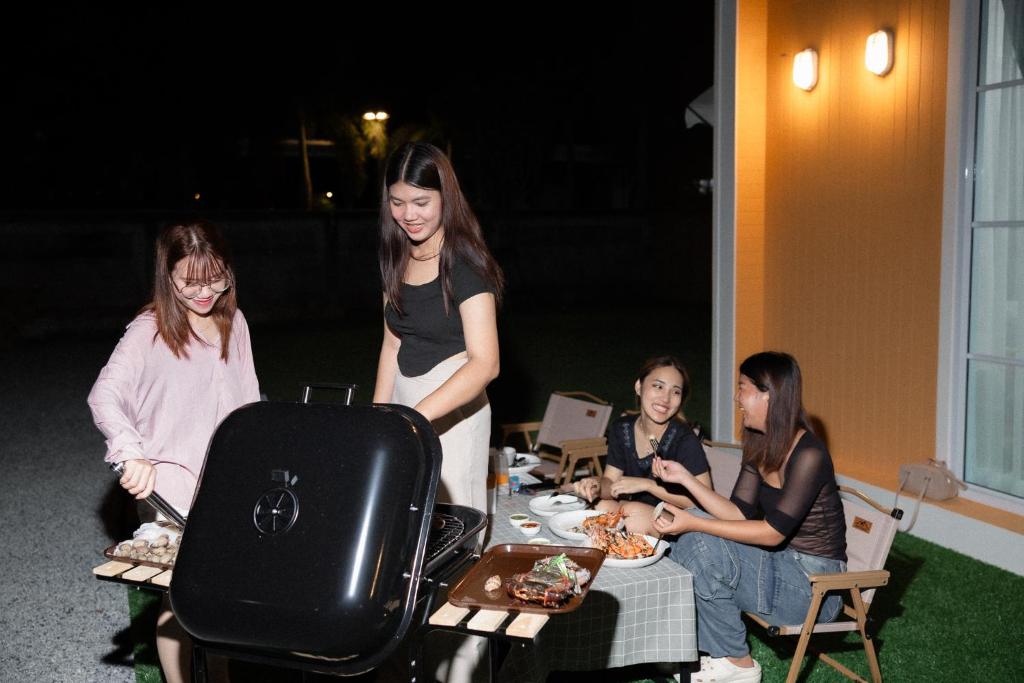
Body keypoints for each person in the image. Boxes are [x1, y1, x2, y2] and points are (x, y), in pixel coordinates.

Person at [88, 220, 259, 683]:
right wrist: (130, 452)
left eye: (215, 280)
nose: (204, 293)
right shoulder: (150, 330)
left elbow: (248, 403)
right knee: (178, 595)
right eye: (190, 282)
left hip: (224, 484)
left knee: (221, 597)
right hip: (171, 488)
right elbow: (104, 395)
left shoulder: (233, 321)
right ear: (168, 276)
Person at [651, 352, 847, 683]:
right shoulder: (761, 442)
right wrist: (684, 479)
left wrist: (694, 523)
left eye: (742, 387)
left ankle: (738, 664)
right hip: (782, 565)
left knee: (699, 539)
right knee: (692, 523)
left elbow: (773, 533)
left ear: (768, 394)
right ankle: (697, 645)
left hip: (815, 588)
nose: (736, 397)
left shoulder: (809, 454)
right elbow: (738, 513)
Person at [372, 141, 503, 514]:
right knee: (403, 519)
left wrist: (415, 417)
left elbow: (486, 363)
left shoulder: (465, 266)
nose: (408, 215)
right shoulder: (397, 257)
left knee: (453, 522)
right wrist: (378, 417)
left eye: (421, 202)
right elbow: (392, 345)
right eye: (397, 202)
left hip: (452, 412)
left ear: (446, 197)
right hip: (406, 405)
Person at [572, 355, 711, 535]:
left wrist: (648, 485)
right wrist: (596, 485)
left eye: (676, 392)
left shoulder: (684, 440)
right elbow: (611, 483)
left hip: (681, 523)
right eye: (658, 386)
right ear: (639, 386)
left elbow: (704, 503)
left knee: (631, 513)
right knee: (602, 506)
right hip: (637, 513)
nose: (666, 398)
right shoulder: (622, 429)